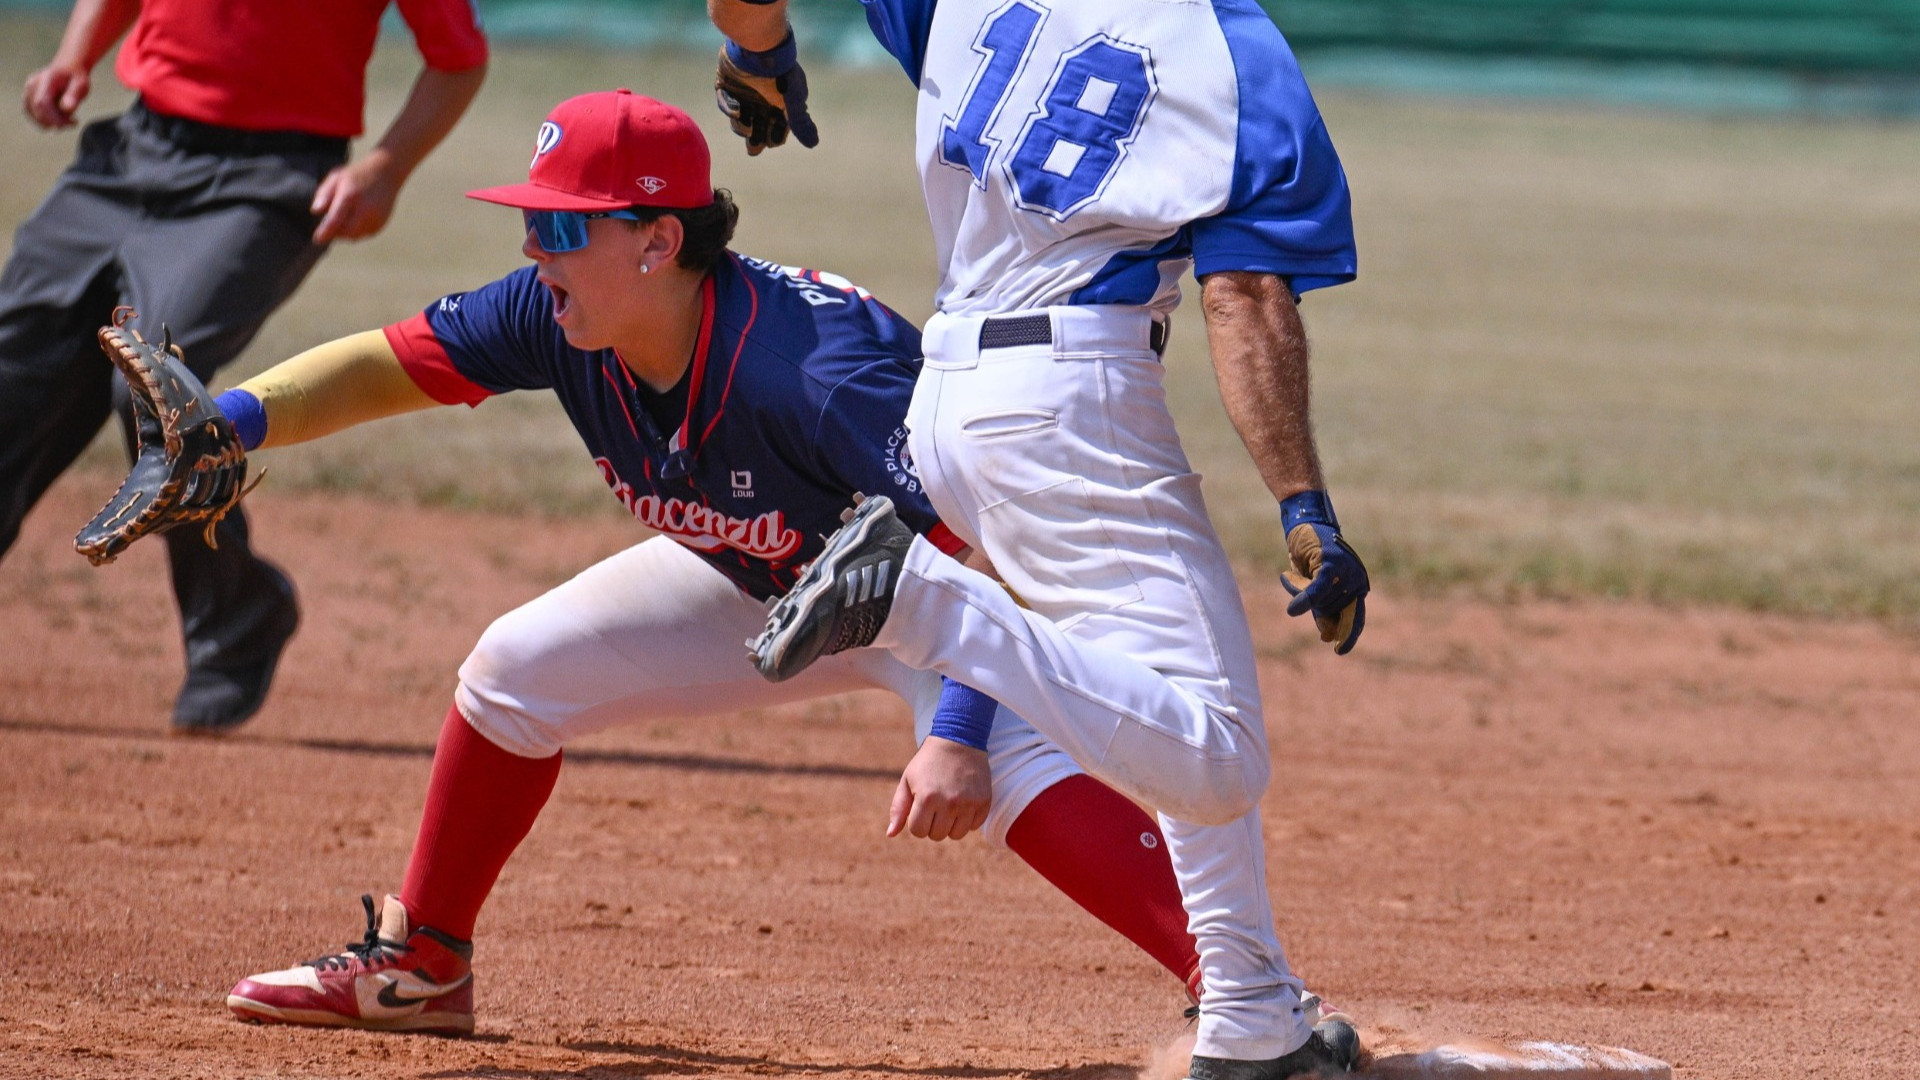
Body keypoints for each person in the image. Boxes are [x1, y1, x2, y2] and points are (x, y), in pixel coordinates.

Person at [211, 90, 1242, 1035]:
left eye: (563, 228)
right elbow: (392, 365)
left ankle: (1250, 1001)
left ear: (659, 242)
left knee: (999, 760)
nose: (535, 251)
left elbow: (966, 532)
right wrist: (231, 422)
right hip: (776, 579)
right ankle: (422, 967)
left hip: (929, 584)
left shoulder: (809, 375)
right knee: (510, 673)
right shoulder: (561, 317)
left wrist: (960, 736)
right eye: (530, 223)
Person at [710, 1, 1372, 1077]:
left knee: (1176, 663)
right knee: (1215, 759)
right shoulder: (1239, 56)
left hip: (953, 391)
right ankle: (920, 601)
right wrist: (1305, 507)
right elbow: (1245, 296)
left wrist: (758, 53)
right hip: (1073, 399)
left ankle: (1253, 1016)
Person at [1, 0, 488, 731]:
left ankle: (238, 616)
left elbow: (459, 58)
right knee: (14, 376)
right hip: (131, 150)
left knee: (160, 388)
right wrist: (76, 57)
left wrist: (384, 169)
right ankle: (240, 613)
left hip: (269, 179)